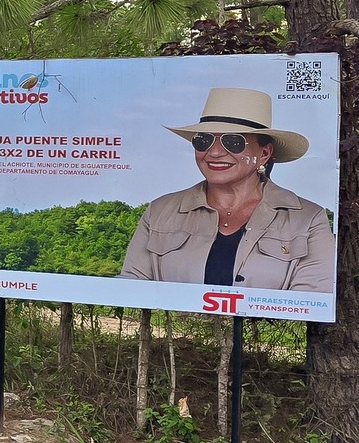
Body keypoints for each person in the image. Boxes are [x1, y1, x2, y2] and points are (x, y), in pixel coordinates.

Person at [119, 87, 334, 292]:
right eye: (203, 140)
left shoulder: (307, 219)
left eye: (233, 141)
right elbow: (132, 289)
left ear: (265, 153)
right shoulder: (160, 211)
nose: (214, 152)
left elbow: (309, 303)